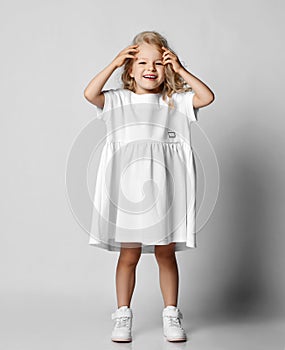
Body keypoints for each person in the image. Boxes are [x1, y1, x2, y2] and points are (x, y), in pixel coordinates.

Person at [84, 30, 214, 343]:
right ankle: (123, 315)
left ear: (166, 67)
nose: (150, 68)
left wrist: (182, 71)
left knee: (165, 253)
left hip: (166, 192)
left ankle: (171, 313)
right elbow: (90, 94)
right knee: (128, 255)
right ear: (130, 68)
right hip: (130, 192)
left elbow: (207, 97)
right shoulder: (119, 100)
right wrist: (113, 64)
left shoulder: (176, 102)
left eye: (158, 62)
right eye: (141, 61)